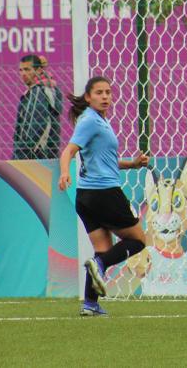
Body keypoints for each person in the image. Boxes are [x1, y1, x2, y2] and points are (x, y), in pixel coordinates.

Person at [57, 76, 150, 317]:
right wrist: (65, 172)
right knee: (138, 240)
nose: (105, 96)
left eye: (108, 92)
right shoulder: (90, 121)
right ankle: (99, 266)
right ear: (88, 97)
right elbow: (68, 150)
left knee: (103, 249)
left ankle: (90, 303)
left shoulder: (97, 121)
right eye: (99, 92)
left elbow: (104, 161)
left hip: (86, 197)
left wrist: (132, 164)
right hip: (105, 193)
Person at [13, 53, 63, 160]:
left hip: (34, 156)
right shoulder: (49, 89)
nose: (23, 74)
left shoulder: (37, 92)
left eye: (27, 69)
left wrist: (19, 156)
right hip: (48, 155)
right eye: (21, 70)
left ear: (39, 70)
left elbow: (34, 127)